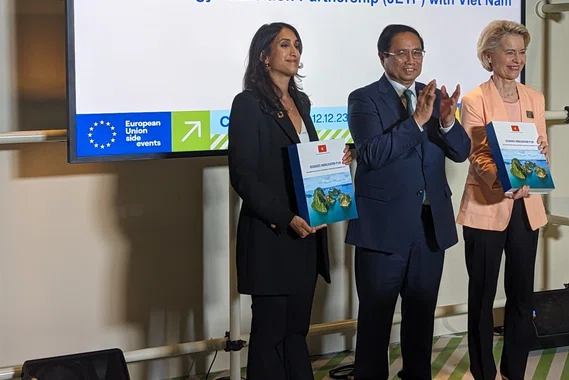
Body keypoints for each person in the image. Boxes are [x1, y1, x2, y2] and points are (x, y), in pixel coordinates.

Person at [344, 24, 471, 380]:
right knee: (376, 318)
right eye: (401, 53)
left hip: (429, 226)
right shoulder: (364, 99)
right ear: (383, 57)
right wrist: (417, 120)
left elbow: (461, 153)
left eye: (417, 52)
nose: (411, 60)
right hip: (383, 227)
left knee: (421, 315)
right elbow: (371, 154)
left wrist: (446, 121)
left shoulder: (432, 96)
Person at [228, 22, 352, 380]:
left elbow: (304, 160)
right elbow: (244, 177)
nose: (294, 51)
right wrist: (285, 218)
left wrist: (336, 159)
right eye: (285, 44)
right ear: (264, 55)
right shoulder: (248, 104)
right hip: (273, 236)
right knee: (269, 337)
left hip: (306, 234)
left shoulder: (301, 101)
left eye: (297, 44)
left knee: (297, 332)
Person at [456, 20, 550, 380]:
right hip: (487, 208)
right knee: (482, 298)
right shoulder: (474, 99)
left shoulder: (534, 98)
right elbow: (476, 155)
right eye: (509, 51)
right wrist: (505, 180)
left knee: (522, 297)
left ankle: (515, 371)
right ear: (488, 56)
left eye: (522, 52)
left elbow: (539, 148)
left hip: (526, 209)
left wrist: (541, 156)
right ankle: (483, 373)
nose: (517, 59)